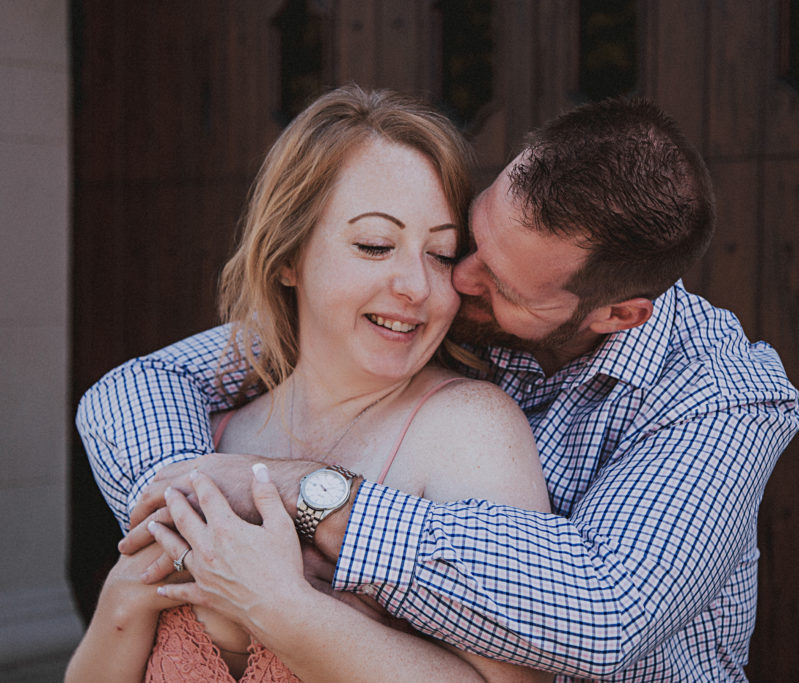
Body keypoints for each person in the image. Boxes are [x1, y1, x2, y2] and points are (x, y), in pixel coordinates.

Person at [78, 93, 799, 681]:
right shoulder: (440, 323)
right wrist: (189, 512)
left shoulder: (720, 396)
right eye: (471, 240)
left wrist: (302, 501)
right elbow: (145, 383)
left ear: (618, 314)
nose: (452, 282)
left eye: (486, 274)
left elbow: (603, 613)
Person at [67, 85, 552, 682]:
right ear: (287, 257)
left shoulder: (469, 429)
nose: (416, 287)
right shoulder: (205, 437)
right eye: (376, 245)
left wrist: (286, 611)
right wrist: (122, 601)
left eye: (442, 254)